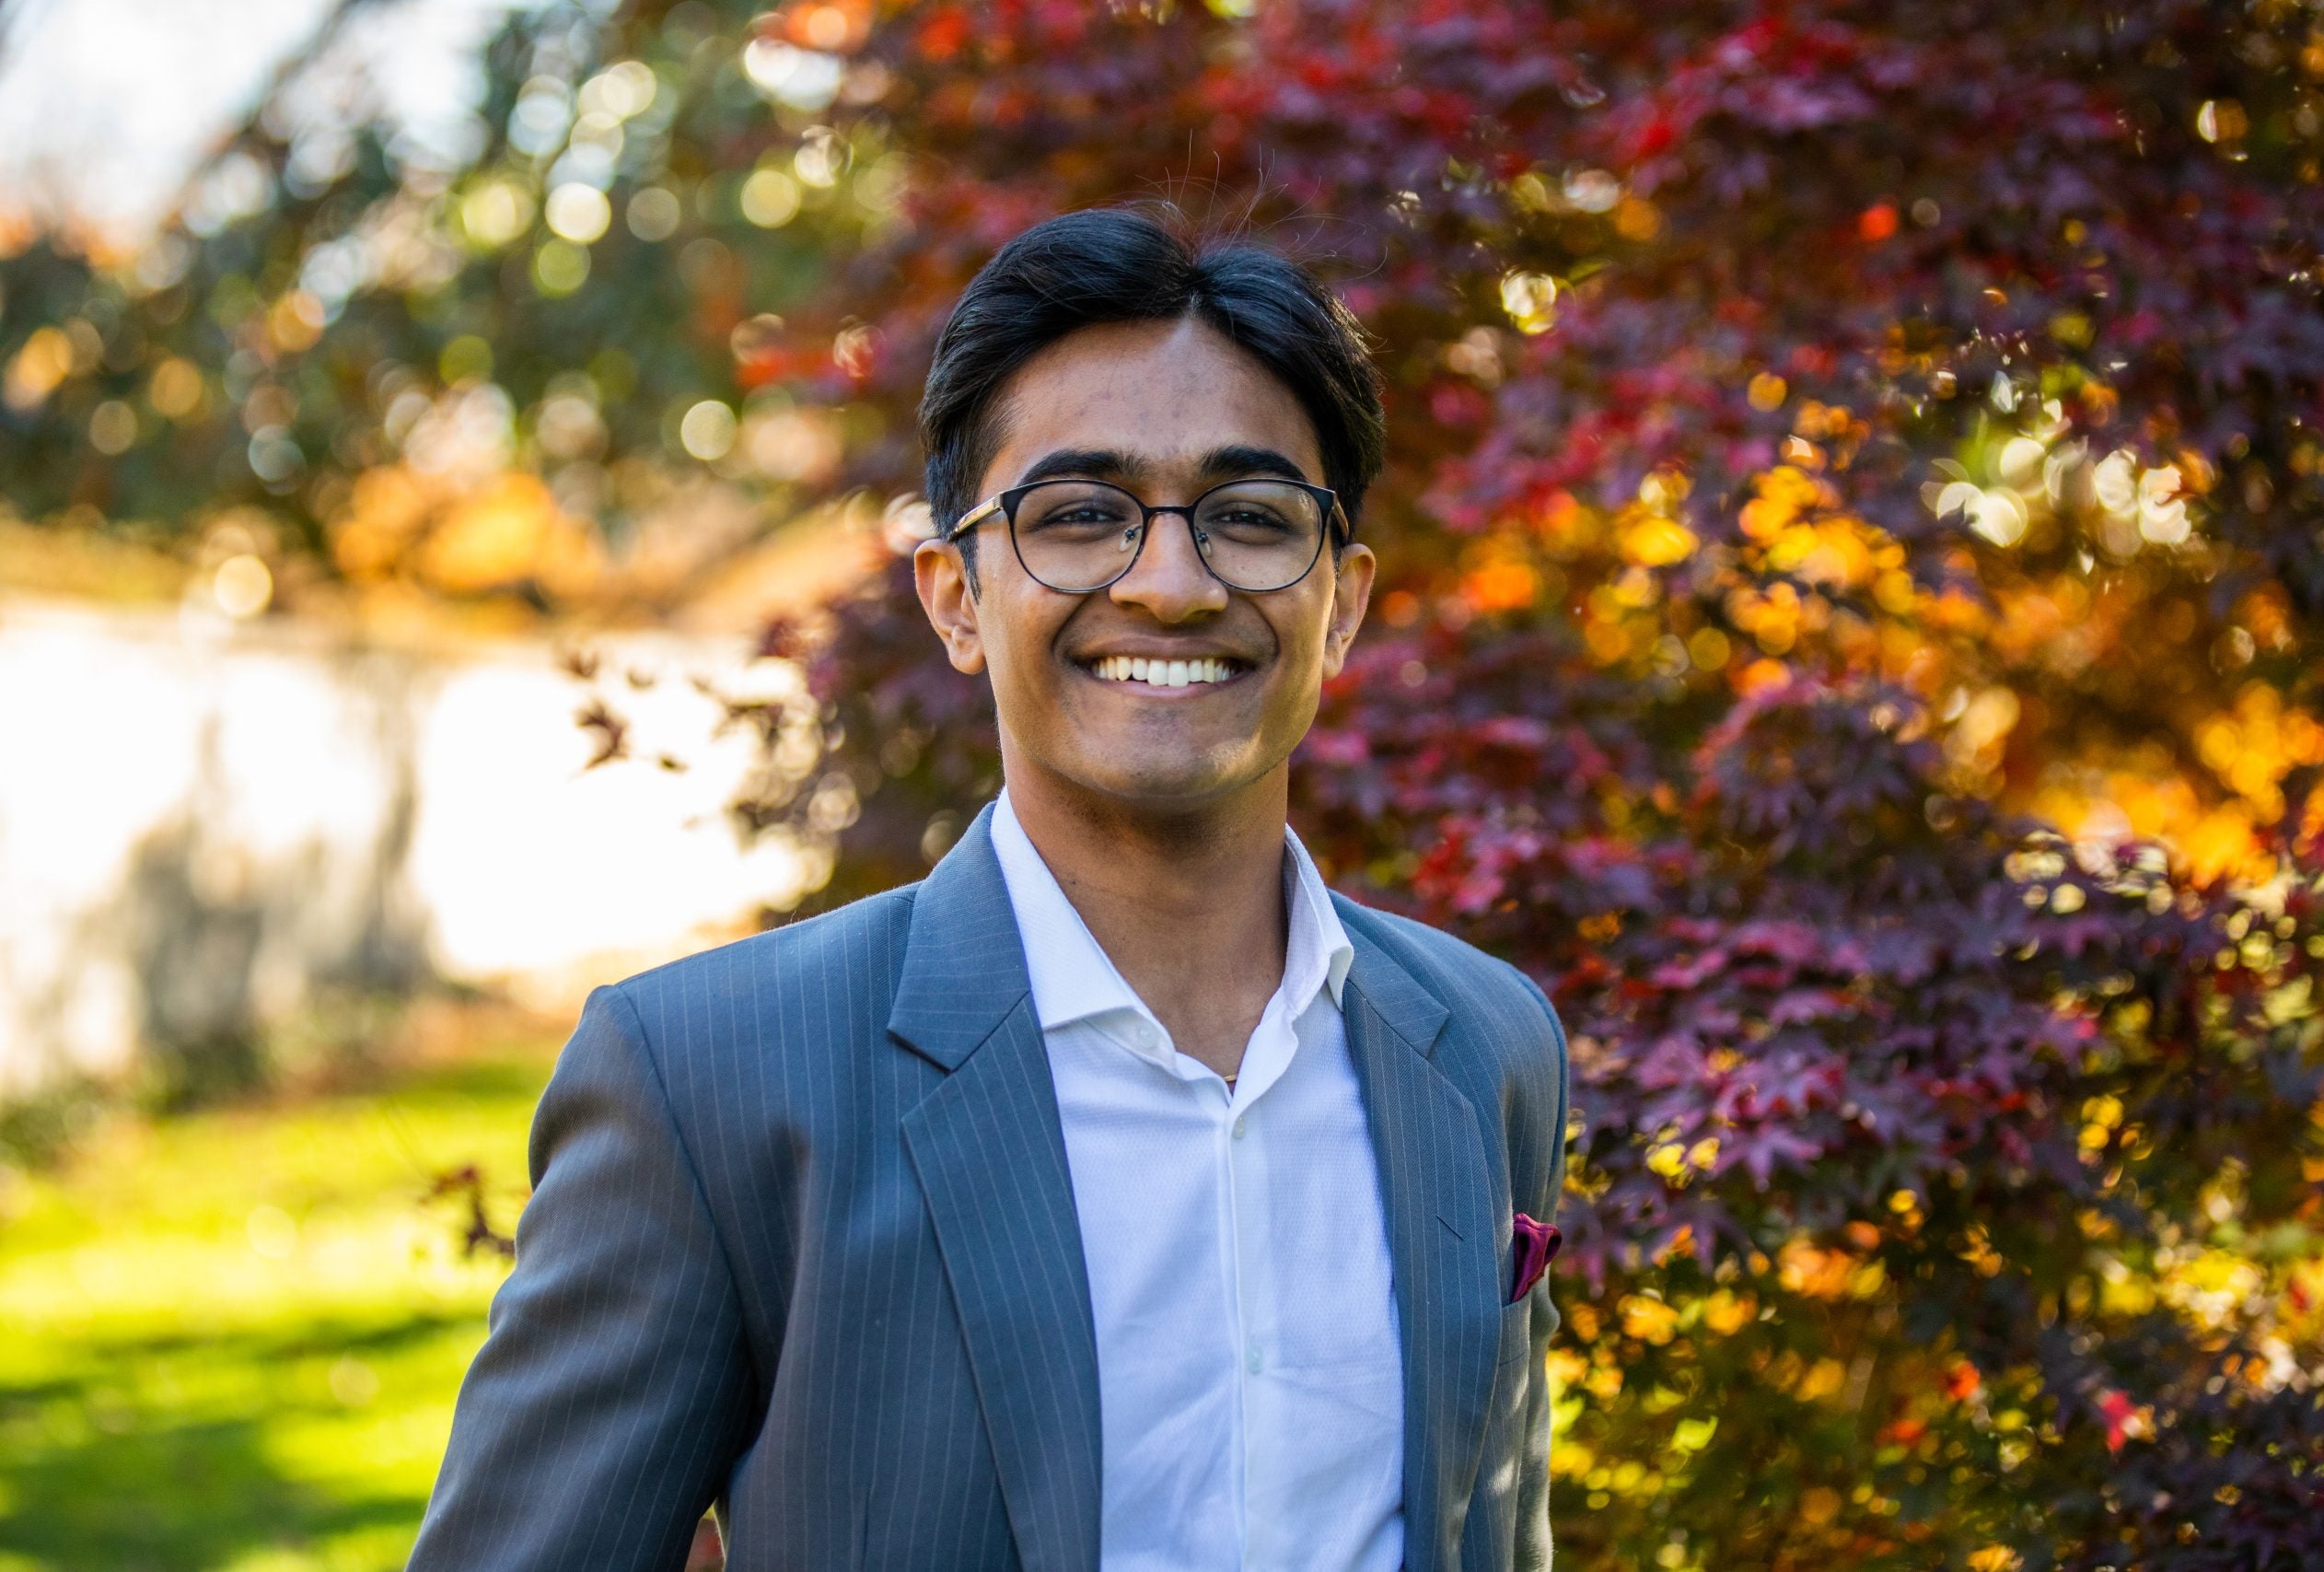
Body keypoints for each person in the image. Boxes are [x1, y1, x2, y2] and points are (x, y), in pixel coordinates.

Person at [409, 205, 1568, 1572]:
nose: (1174, 584)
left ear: (1345, 600)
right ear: (957, 596)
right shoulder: (709, 1084)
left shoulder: (1487, 1044)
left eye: (1251, 517)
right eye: (1081, 515)